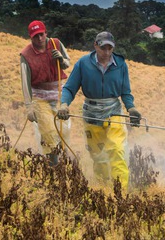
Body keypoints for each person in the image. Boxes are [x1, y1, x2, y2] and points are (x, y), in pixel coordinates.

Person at [57, 31, 142, 189]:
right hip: (91, 114)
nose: (107, 52)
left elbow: (125, 92)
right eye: (103, 48)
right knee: (98, 156)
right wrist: (64, 104)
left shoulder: (120, 64)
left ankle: (120, 192)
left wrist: (132, 109)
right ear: (95, 45)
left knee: (116, 150)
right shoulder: (83, 64)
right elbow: (69, 88)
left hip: (114, 112)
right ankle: (103, 189)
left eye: (110, 48)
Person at [20, 20, 71, 164]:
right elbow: (25, 82)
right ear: (31, 37)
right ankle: (53, 165)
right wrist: (29, 107)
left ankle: (64, 162)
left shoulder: (56, 43)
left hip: (58, 94)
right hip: (39, 97)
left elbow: (67, 63)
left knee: (63, 131)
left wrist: (61, 60)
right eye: (36, 36)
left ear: (46, 33)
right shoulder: (25, 55)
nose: (40, 39)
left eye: (41, 35)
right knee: (48, 132)